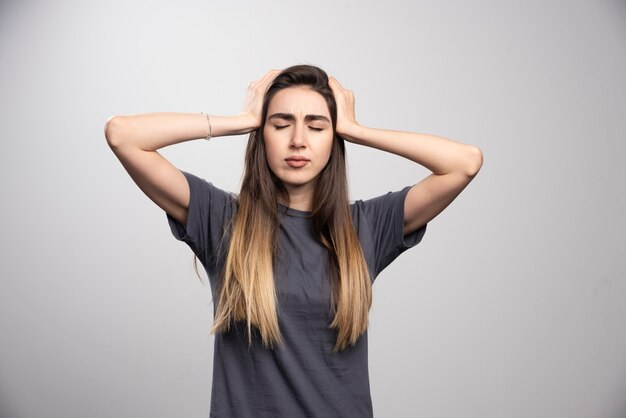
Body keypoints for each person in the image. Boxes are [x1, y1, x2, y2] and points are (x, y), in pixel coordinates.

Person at [104, 64, 483, 417]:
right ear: (262, 135)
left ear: (333, 138)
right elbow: (122, 135)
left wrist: (355, 128)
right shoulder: (222, 220)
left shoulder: (366, 226)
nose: (299, 140)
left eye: (317, 127)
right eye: (281, 124)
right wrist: (242, 120)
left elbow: (464, 162)